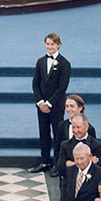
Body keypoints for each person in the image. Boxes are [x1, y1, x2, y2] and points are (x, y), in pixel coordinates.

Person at [31, 32, 71, 171]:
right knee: (44, 134)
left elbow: (62, 87)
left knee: (58, 135)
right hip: (41, 106)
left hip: (56, 106)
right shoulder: (40, 61)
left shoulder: (64, 64)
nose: (49, 47)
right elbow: (35, 83)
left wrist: (49, 104)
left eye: (52, 44)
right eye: (47, 44)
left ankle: (57, 165)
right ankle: (45, 162)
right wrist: (40, 102)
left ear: (58, 45)